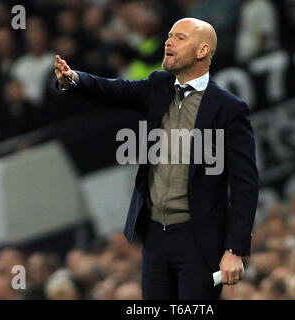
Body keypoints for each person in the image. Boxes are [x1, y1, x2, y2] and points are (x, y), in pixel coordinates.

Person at [55, 17, 259, 300]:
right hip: (155, 238)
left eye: (179, 37)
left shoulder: (229, 109)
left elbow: (245, 185)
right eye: (169, 35)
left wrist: (234, 250)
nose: (168, 42)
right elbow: (115, 90)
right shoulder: (158, 85)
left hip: (198, 241)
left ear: (202, 51)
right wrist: (75, 79)